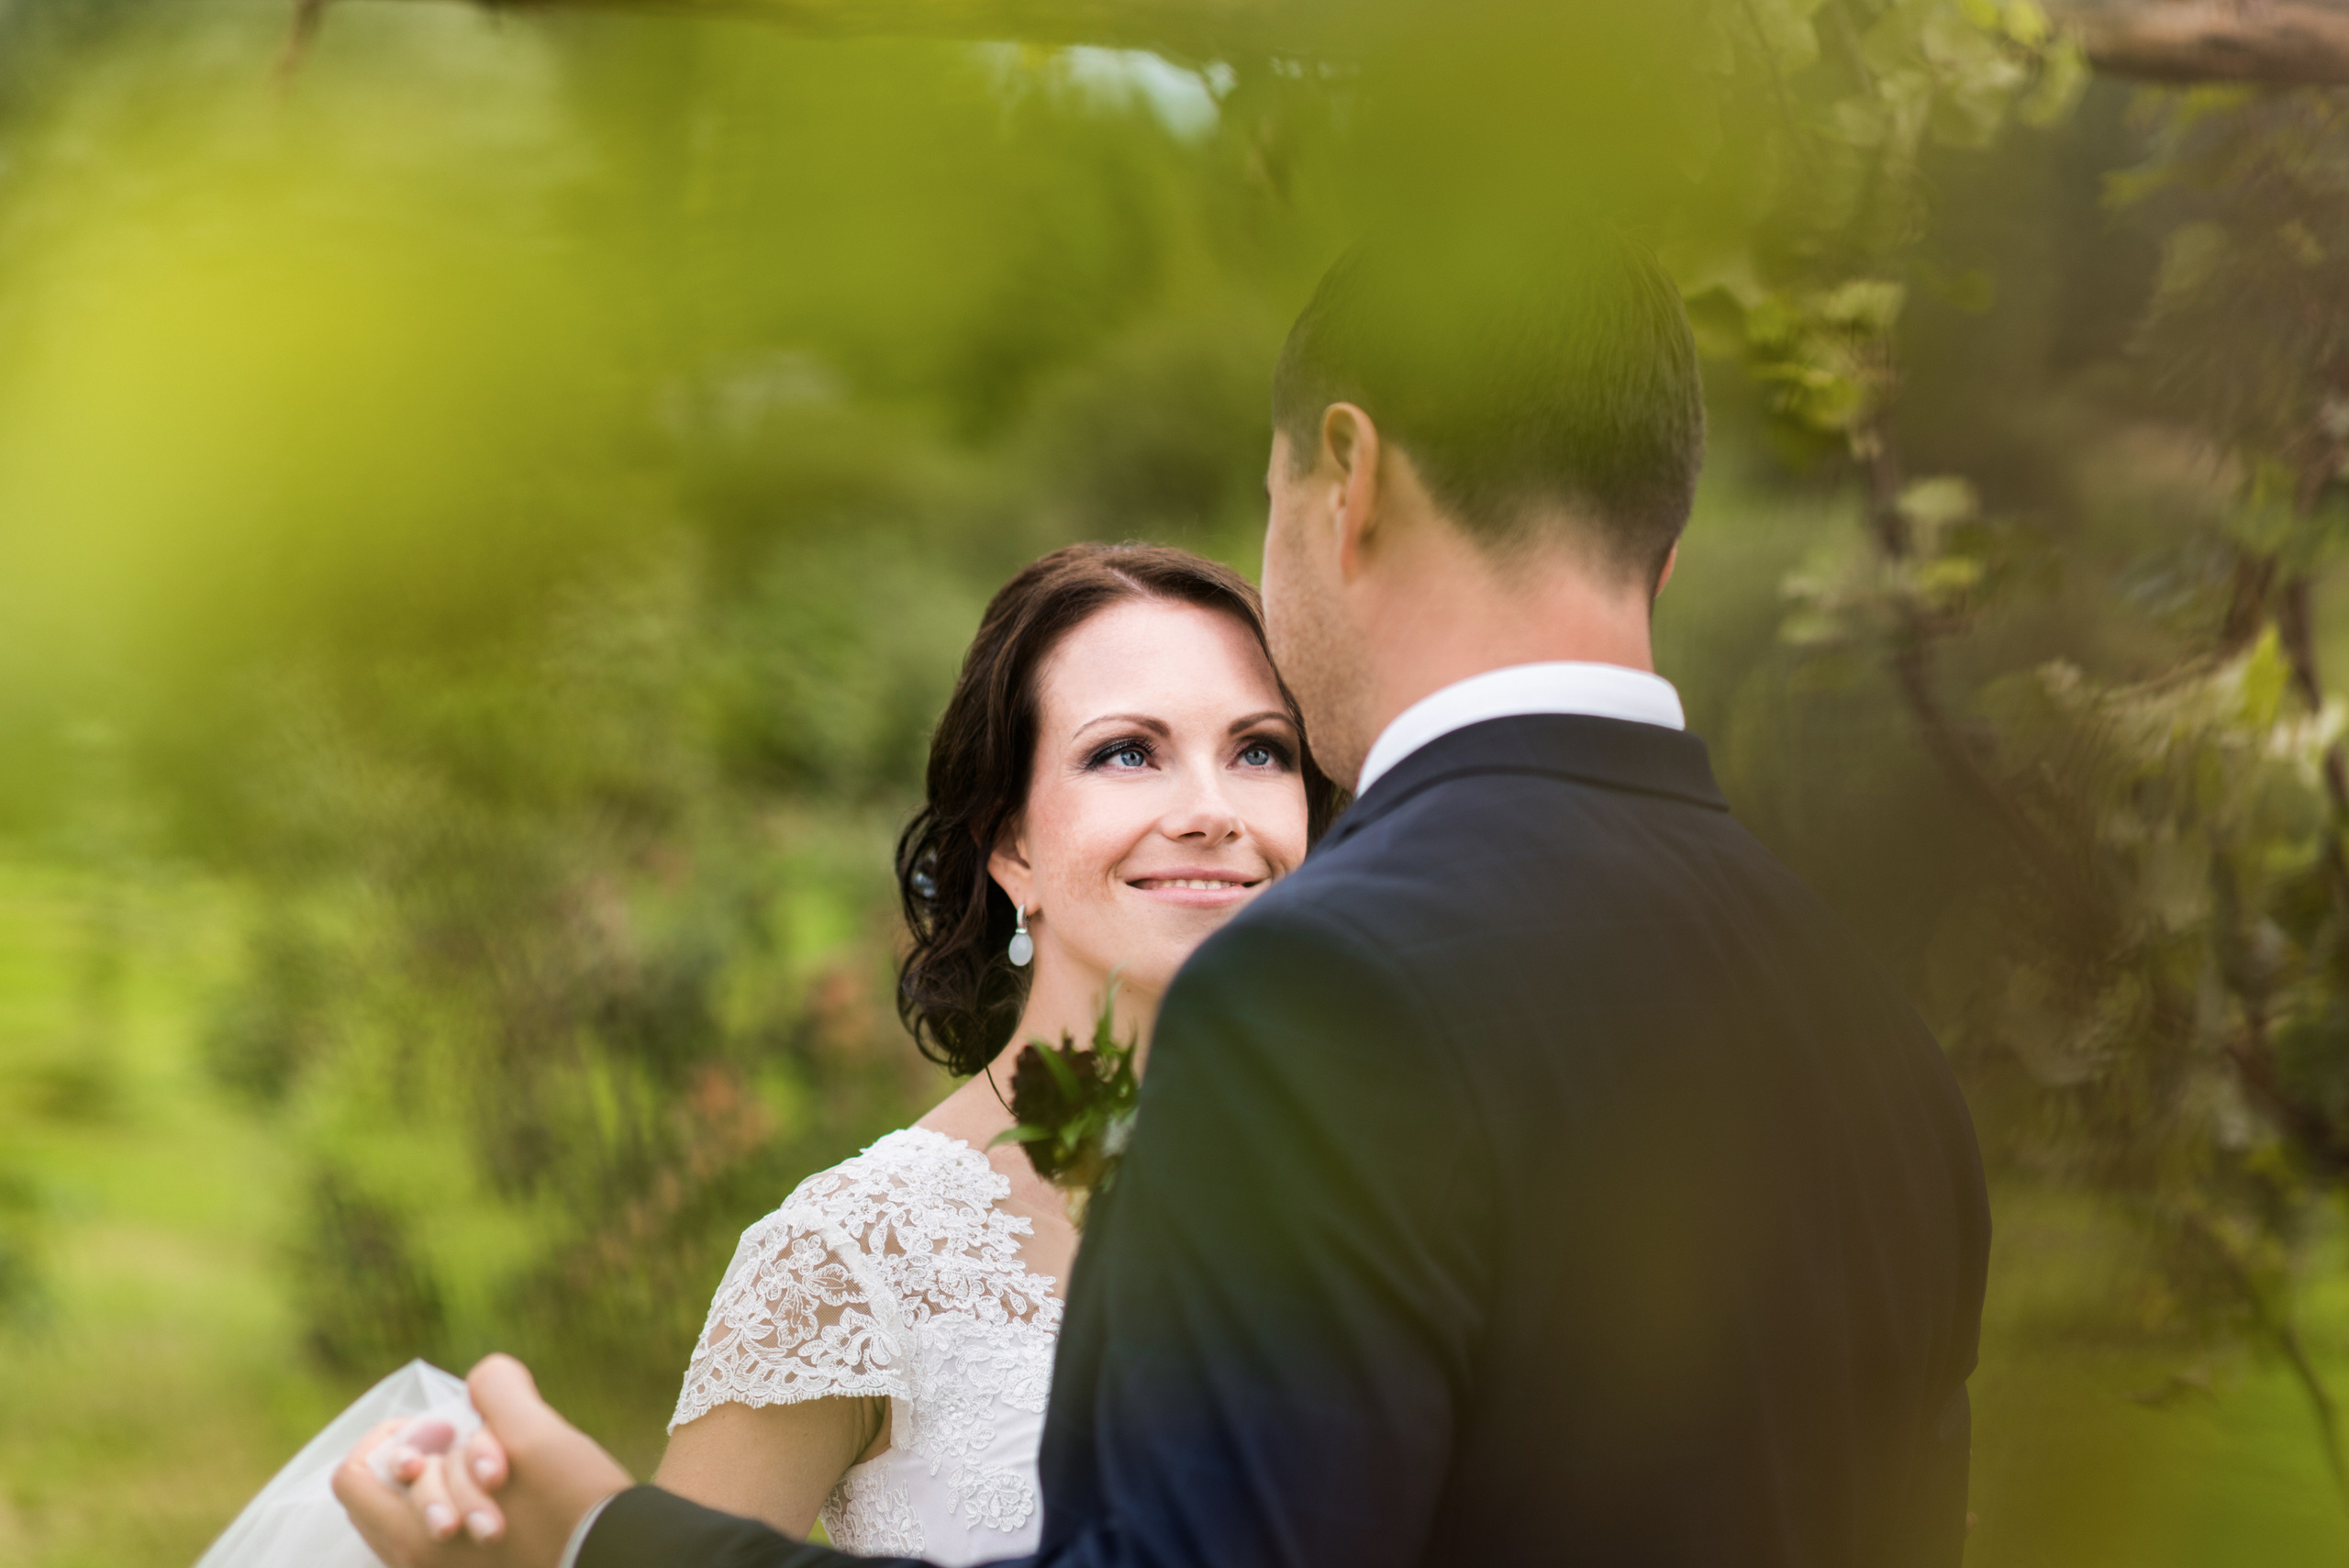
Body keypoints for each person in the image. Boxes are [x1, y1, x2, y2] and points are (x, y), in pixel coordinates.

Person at [339, 216, 1991, 1568]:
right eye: (1128, 753)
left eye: (1256, 750)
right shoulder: (1874, 1042)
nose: (1209, 810)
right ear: (1667, 557)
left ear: (1348, 480)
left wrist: (606, 1545)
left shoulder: (1325, 1005)